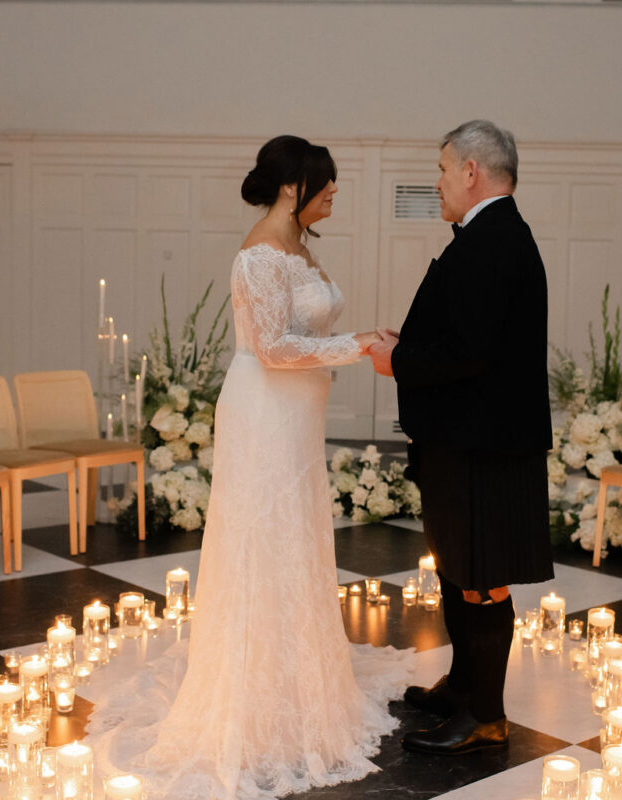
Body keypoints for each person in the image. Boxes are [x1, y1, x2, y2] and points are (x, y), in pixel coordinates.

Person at [87, 135, 414, 799]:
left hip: (296, 416)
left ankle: (295, 669)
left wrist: (356, 344)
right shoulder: (259, 255)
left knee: (293, 536)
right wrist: (357, 345)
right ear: (294, 187)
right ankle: (256, 691)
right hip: (265, 412)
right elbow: (270, 347)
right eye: (325, 186)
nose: (333, 195)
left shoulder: (297, 245)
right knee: (263, 538)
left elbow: (299, 333)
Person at [368, 120, 554, 755]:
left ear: (472, 171)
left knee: (482, 580)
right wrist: (410, 347)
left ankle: (487, 717)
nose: (439, 181)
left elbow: (471, 353)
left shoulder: (495, 240)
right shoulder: (491, 235)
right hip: (468, 439)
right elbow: (472, 341)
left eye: (444, 169)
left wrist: (401, 361)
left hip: (484, 446)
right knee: (457, 571)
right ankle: (462, 687)